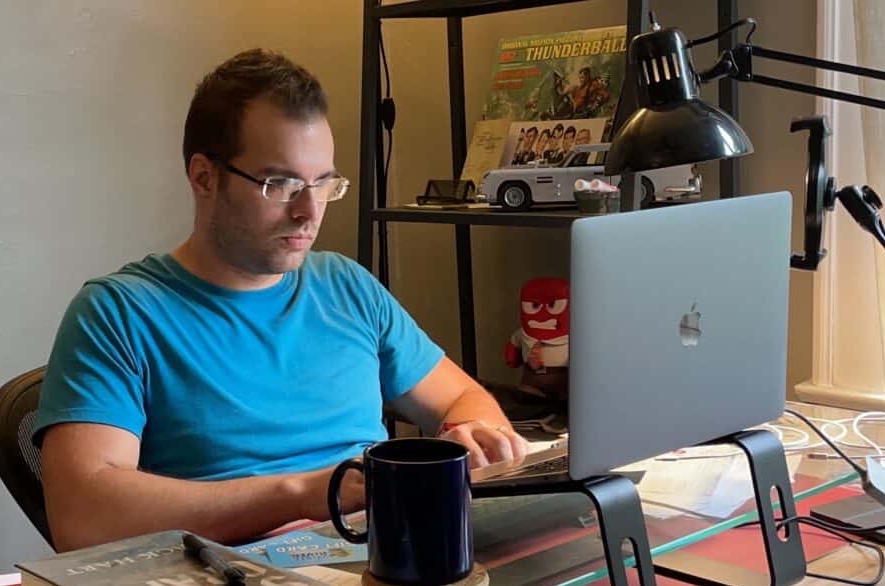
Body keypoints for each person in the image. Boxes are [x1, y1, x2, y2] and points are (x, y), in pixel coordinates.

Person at [36, 49, 530, 553]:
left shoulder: (346, 286)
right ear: (204, 177)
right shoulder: (119, 314)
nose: (309, 212)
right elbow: (83, 516)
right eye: (282, 184)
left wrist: (470, 433)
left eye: (322, 183)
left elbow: (462, 399)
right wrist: (300, 495)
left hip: (386, 558)